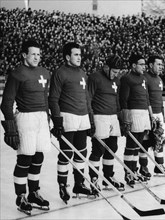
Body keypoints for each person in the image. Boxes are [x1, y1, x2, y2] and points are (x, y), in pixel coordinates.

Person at [1, 40, 50, 214]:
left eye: (38, 54)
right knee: (25, 158)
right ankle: (21, 196)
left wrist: (48, 118)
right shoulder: (17, 74)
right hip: (25, 118)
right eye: (33, 54)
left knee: (38, 157)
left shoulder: (45, 72)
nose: (37, 57)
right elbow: (6, 103)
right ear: (24, 55)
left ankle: (34, 193)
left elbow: (45, 99)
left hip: (41, 118)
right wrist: (10, 128)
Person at [49, 42, 95, 203]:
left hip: (83, 117)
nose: (79, 57)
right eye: (76, 54)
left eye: (80, 55)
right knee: (66, 153)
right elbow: (53, 99)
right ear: (68, 56)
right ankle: (62, 185)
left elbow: (87, 98)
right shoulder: (60, 73)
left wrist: (91, 118)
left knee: (82, 153)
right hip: (67, 116)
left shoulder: (83, 73)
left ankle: (79, 184)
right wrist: (57, 121)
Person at [87, 54, 125, 192]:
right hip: (99, 117)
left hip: (112, 117)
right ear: (106, 67)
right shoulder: (94, 78)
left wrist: (121, 119)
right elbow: (88, 98)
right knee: (98, 150)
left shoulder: (117, 80)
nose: (115, 74)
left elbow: (117, 100)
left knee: (112, 148)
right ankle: (94, 179)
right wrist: (90, 119)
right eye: (114, 71)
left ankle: (108, 177)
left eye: (118, 72)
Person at [119, 54, 153, 186]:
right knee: (131, 145)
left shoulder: (143, 78)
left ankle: (134, 170)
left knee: (138, 144)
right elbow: (123, 99)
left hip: (144, 113)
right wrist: (125, 116)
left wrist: (151, 116)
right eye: (142, 64)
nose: (144, 67)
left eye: (145, 64)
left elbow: (147, 97)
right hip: (134, 113)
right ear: (133, 65)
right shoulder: (127, 78)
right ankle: (128, 172)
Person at [139, 55, 165, 179]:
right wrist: (150, 115)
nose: (161, 67)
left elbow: (159, 99)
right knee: (145, 142)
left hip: (159, 114)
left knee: (160, 141)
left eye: (161, 65)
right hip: (148, 114)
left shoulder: (159, 79)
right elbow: (145, 98)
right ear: (151, 65)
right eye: (158, 64)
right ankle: (143, 167)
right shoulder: (145, 78)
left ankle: (159, 166)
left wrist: (162, 116)